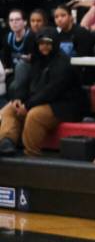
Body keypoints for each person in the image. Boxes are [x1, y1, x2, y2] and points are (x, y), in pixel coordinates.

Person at [0, 28, 79, 157]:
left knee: (34, 115)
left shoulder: (63, 63)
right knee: (10, 109)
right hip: (39, 101)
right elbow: (26, 84)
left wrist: (28, 105)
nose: (44, 47)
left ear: (55, 44)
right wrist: (19, 99)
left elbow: (52, 91)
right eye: (41, 43)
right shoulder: (37, 60)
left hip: (63, 106)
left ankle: (31, 154)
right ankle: (6, 142)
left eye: (48, 43)